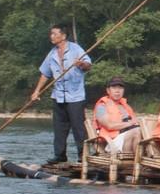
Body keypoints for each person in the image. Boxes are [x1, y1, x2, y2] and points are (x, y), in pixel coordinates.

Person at [27, 24, 92, 164]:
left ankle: (83, 155)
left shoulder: (75, 49)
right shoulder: (52, 53)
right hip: (58, 96)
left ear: (63, 36)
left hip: (75, 96)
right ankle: (60, 155)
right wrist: (36, 91)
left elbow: (88, 65)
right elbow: (45, 73)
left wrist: (81, 64)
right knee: (59, 128)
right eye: (51, 34)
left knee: (78, 128)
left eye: (54, 33)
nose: (51, 36)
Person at [92, 78, 141, 156]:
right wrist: (130, 123)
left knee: (144, 132)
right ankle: (138, 162)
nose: (117, 91)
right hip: (111, 142)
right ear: (108, 90)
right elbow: (109, 125)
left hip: (127, 138)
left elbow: (135, 122)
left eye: (120, 88)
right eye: (114, 88)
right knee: (136, 131)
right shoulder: (101, 106)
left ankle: (150, 158)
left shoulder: (126, 106)